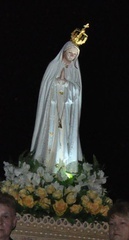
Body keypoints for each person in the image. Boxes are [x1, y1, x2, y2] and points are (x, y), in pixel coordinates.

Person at [30, 36, 84, 171]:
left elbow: (78, 90)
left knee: (64, 136)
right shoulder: (53, 66)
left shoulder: (75, 70)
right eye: (70, 53)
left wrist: (67, 84)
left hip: (67, 110)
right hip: (53, 108)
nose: (72, 56)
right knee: (51, 134)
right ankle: (46, 163)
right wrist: (56, 82)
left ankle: (63, 165)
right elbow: (46, 85)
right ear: (64, 52)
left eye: (74, 55)